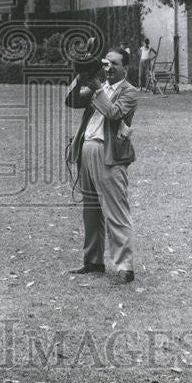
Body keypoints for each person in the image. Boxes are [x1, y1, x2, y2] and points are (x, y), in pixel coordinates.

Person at [65, 47, 139, 283]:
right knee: (91, 212)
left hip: (109, 154)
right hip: (87, 150)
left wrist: (96, 87)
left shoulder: (130, 92)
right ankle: (93, 261)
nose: (108, 68)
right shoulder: (99, 86)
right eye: (105, 64)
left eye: (114, 64)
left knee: (116, 212)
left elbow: (114, 113)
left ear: (125, 68)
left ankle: (124, 267)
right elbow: (71, 100)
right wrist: (81, 74)